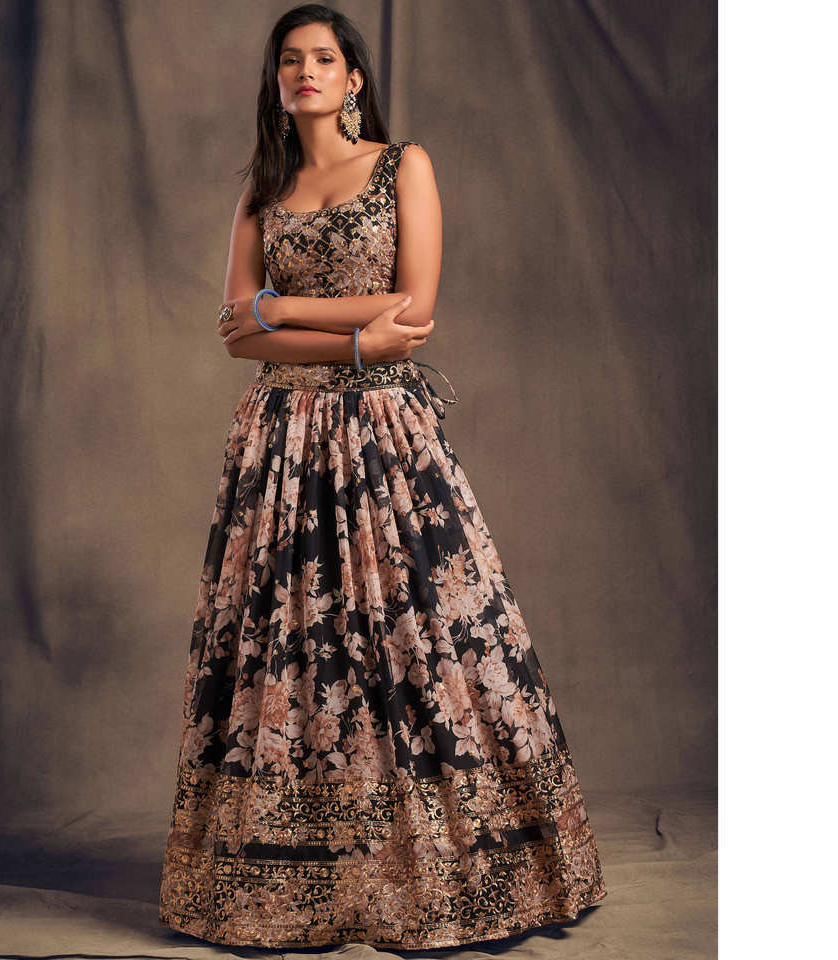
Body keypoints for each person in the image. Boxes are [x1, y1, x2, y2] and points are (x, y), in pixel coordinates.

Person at [158, 3, 607, 949]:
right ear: (277, 80)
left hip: (382, 435)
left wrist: (290, 313)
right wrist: (354, 335)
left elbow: (414, 305)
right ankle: (307, 876)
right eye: (290, 59)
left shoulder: (405, 167)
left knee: (420, 628)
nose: (305, 71)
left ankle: (457, 864)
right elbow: (234, 332)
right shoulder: (262, 190)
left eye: (323, 58)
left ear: (353, 77)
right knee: (290, 644)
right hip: (280, 442)